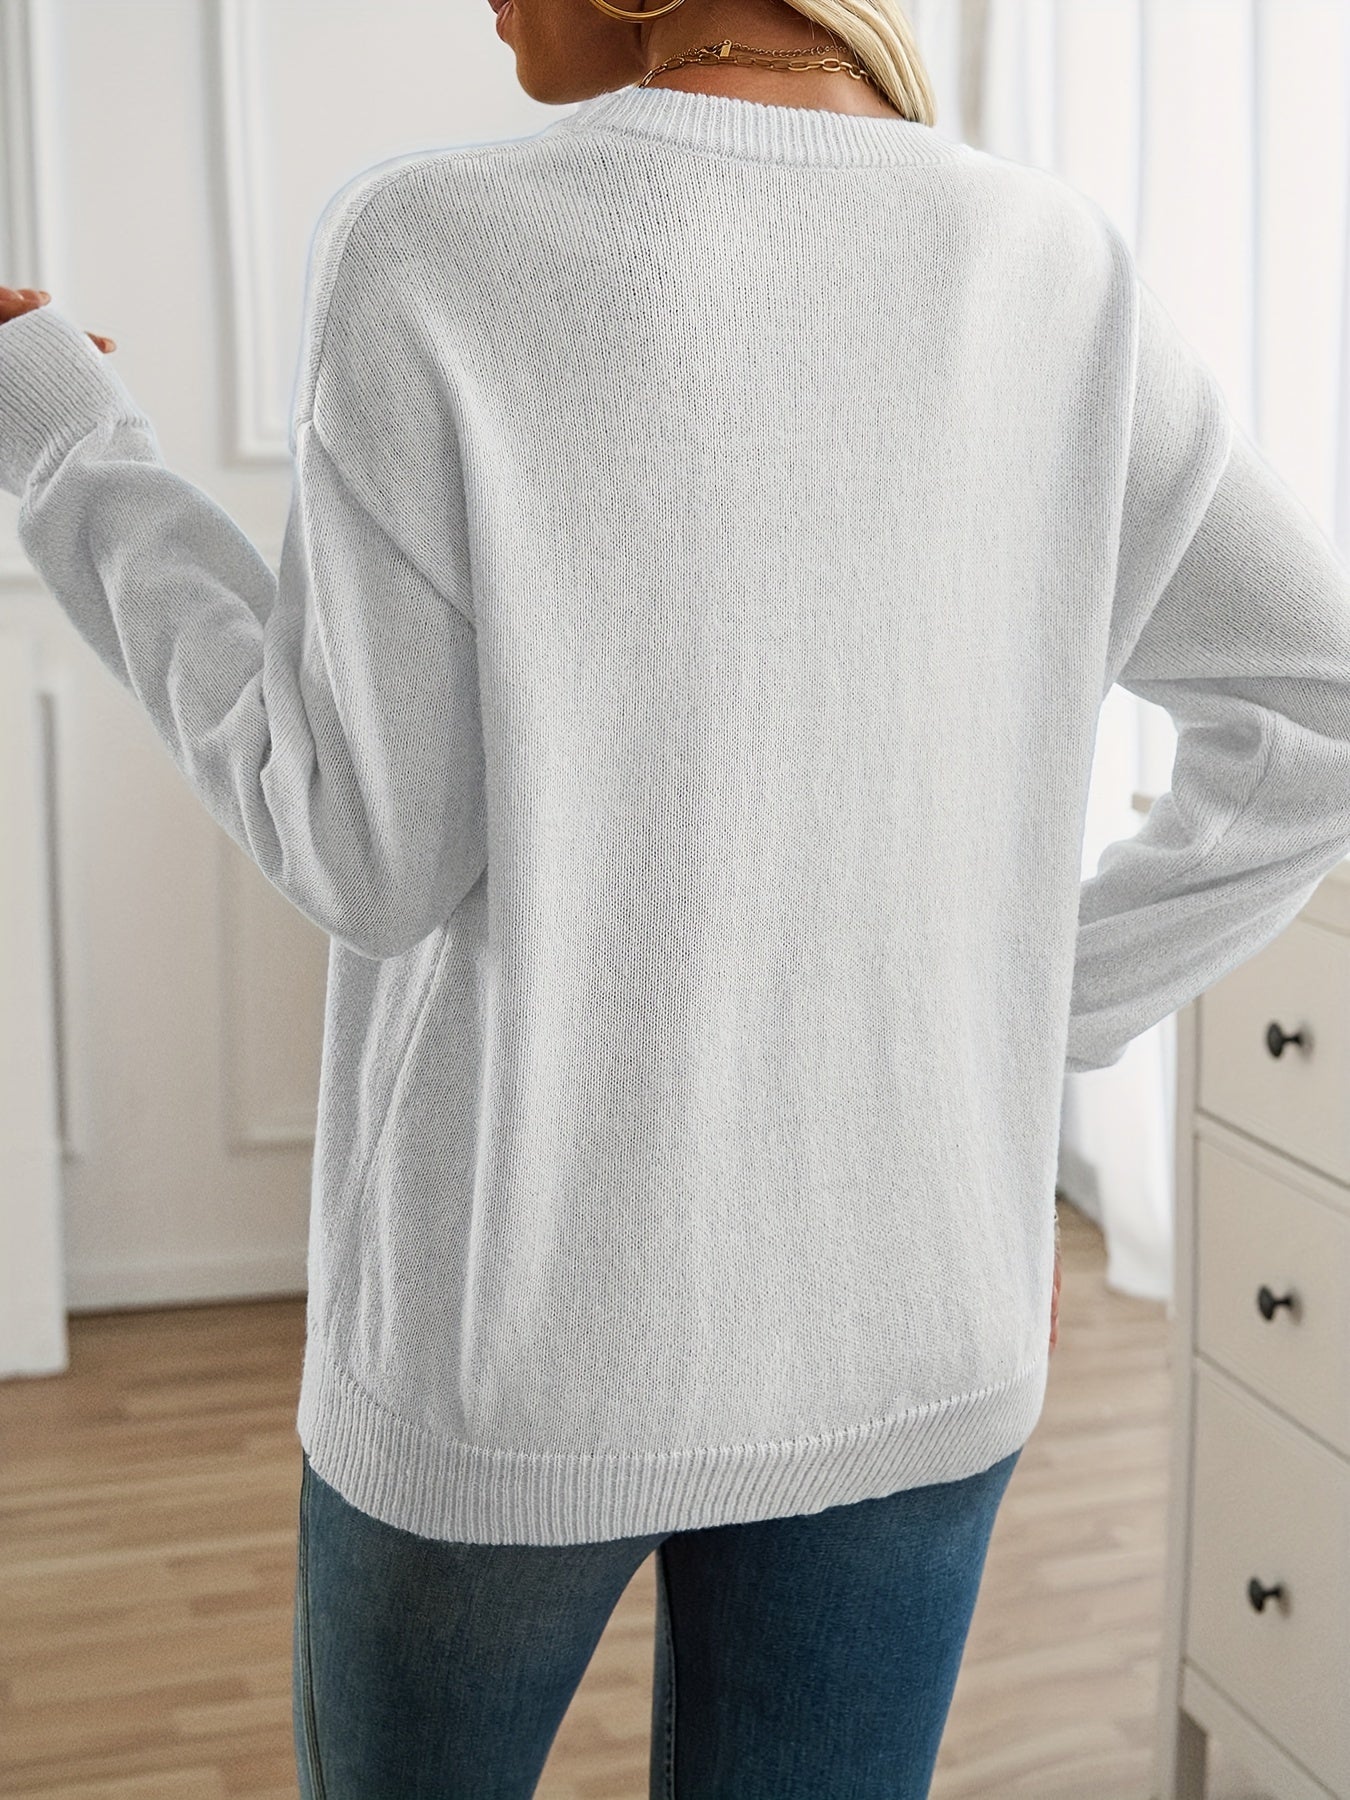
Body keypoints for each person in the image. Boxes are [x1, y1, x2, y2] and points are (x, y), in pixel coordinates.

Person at [3, 0, 1349, 1793]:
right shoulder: (1055, 267)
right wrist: (1016, 1021)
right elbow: (1311, 718)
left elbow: (360, 849)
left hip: (522, 1337)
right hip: (916, 1325)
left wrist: (72, 457)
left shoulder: (433, 241)